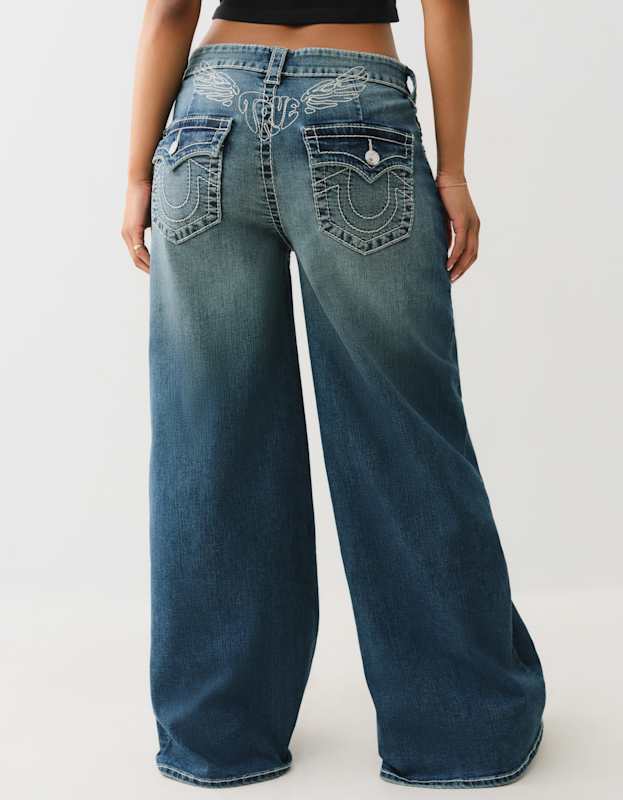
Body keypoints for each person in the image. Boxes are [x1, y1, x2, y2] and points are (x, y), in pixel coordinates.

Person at [121, 0, 546, 789]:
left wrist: (138, 172)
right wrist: (452, 170)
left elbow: (171, 10)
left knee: (209, 441)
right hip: (356, 114)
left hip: (205, 122)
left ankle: (217, 738)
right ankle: (459, 734)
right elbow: (445, 7)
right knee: (403, 435)